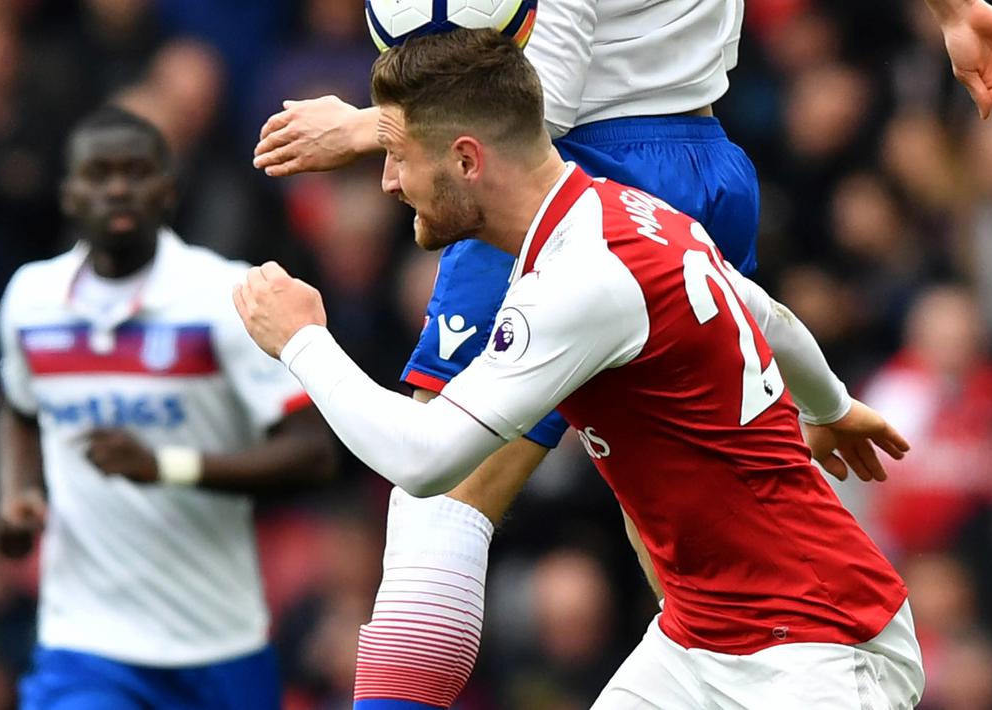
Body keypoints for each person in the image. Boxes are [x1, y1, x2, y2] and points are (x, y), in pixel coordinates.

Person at [237, 29, 924, 708]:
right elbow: (764, 314)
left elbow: (425, 462)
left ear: (467, 159)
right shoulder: (628, 213)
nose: (388, 182)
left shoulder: (582, 281)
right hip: (697, 646)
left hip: (818, 647)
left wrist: (303, 342)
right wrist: (830, 407)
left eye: (397, 157)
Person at [0, 106, 336, 709]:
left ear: (169, 191)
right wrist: (18, 495)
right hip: (85, 642)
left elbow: (313, 454)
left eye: (137, 172)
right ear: (69, 195)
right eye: (99, 175)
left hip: (217, 641)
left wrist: (166, 467)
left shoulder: (229, 297)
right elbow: (19, 408)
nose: (119, 188)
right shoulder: (31, 299)